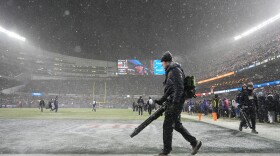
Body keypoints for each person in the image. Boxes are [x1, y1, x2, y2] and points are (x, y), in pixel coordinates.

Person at [155, 51, 201, 156]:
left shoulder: (174, 70)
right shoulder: (171, 71)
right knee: (176, 125)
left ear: (166, 62)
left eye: (162, 63)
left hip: (175, 102)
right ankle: (194, 142)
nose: (162, 65)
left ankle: (166, 151)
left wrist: (175, 103)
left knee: (167, 125)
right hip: (174, 101)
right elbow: (170, 90)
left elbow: (179, 88)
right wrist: (162, 100)